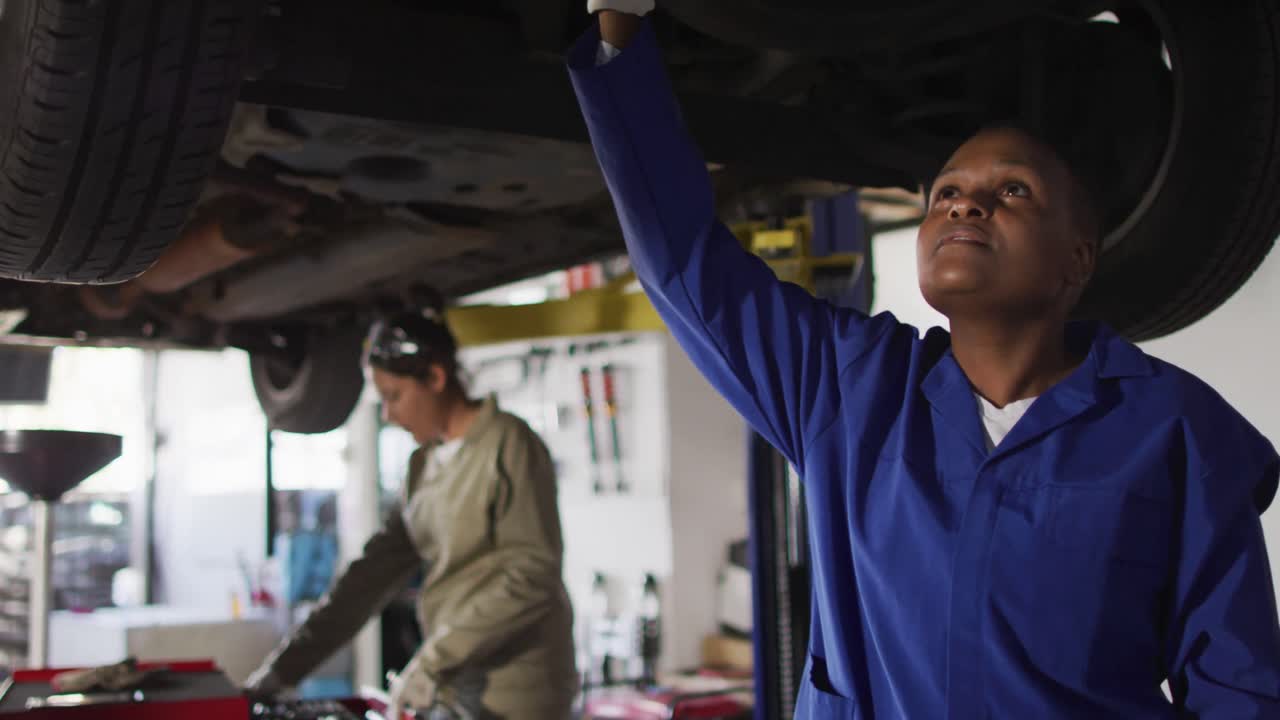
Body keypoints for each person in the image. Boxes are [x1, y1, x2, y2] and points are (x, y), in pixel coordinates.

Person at [568, 5, 1280, 718]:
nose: (966, 207)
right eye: (947, 194)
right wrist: (620, 26)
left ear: (1078, 258)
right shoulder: (848, 388)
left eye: (1011, 192)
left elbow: (1238, 688)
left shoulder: (1174, 432)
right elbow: (684, 261)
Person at [244, 308, 577, 719]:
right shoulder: (423, 466)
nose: (388, 415)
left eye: (394, 397)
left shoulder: (507, 444)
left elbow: (533, 573)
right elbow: (368, 579)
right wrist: (282, 671)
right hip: (454, 684)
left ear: (436, 379)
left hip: (514, 693)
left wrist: (433, 659)